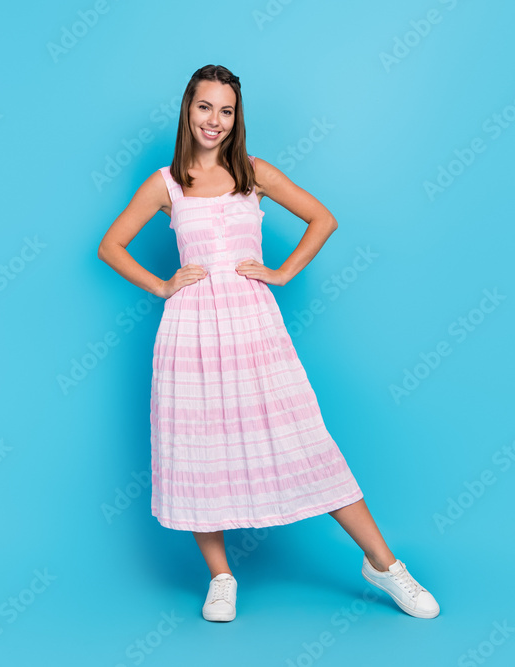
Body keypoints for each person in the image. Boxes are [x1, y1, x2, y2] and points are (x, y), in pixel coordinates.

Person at [97, 64, 439, 623]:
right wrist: (161, 285)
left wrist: (281, 273)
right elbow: (110, 245)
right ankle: (221, 577)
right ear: (188, 109)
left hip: (254, 327)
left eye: (226, 110)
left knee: (305, 438)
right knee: (199, 450)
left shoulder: (254, 173)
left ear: (237, 118)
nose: (214, 120)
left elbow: (322, 219)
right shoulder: (166, 184)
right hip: (190, 334)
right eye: (205, 106)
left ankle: (383, 564)